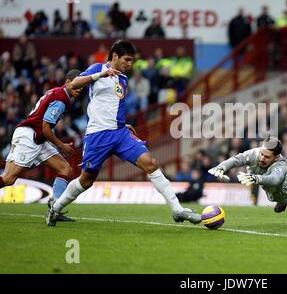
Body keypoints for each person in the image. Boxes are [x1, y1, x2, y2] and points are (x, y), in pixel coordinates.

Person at [46, 40, 201, 226]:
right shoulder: (98, 68)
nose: (130, 64)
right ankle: (55, 209)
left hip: (119, 133)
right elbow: (74, 84)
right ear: (115, 56)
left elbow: (114, 106)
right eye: (127, 59)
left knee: (150, 163)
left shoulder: (123, 79)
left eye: (132, 60)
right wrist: (100, 74)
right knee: (86, 180)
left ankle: (177, 209)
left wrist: (123, 124)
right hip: (98, 135)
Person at [0, 69, 83, 221]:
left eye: (82, 86)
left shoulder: (56, 93)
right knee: (9, 178)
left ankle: (55, 210)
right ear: (67, 82)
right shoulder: (61, 99)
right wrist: (61, 145)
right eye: (76, 84)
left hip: (38, 138)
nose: (79, 88)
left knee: (65, 169)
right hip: (30, 136)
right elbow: (45, 127)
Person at [208, 136, 287, 213]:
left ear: (276, 157)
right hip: (258, 175)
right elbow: (237, 160)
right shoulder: (254, 153)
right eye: (262, 154)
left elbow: (275, 179)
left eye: (267, 157)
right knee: (268, 189)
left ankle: (286, 190)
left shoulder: (280, 163)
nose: (262, 158)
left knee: (276, 196)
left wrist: (257, 178)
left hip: (272, 178)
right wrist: (221, 167)